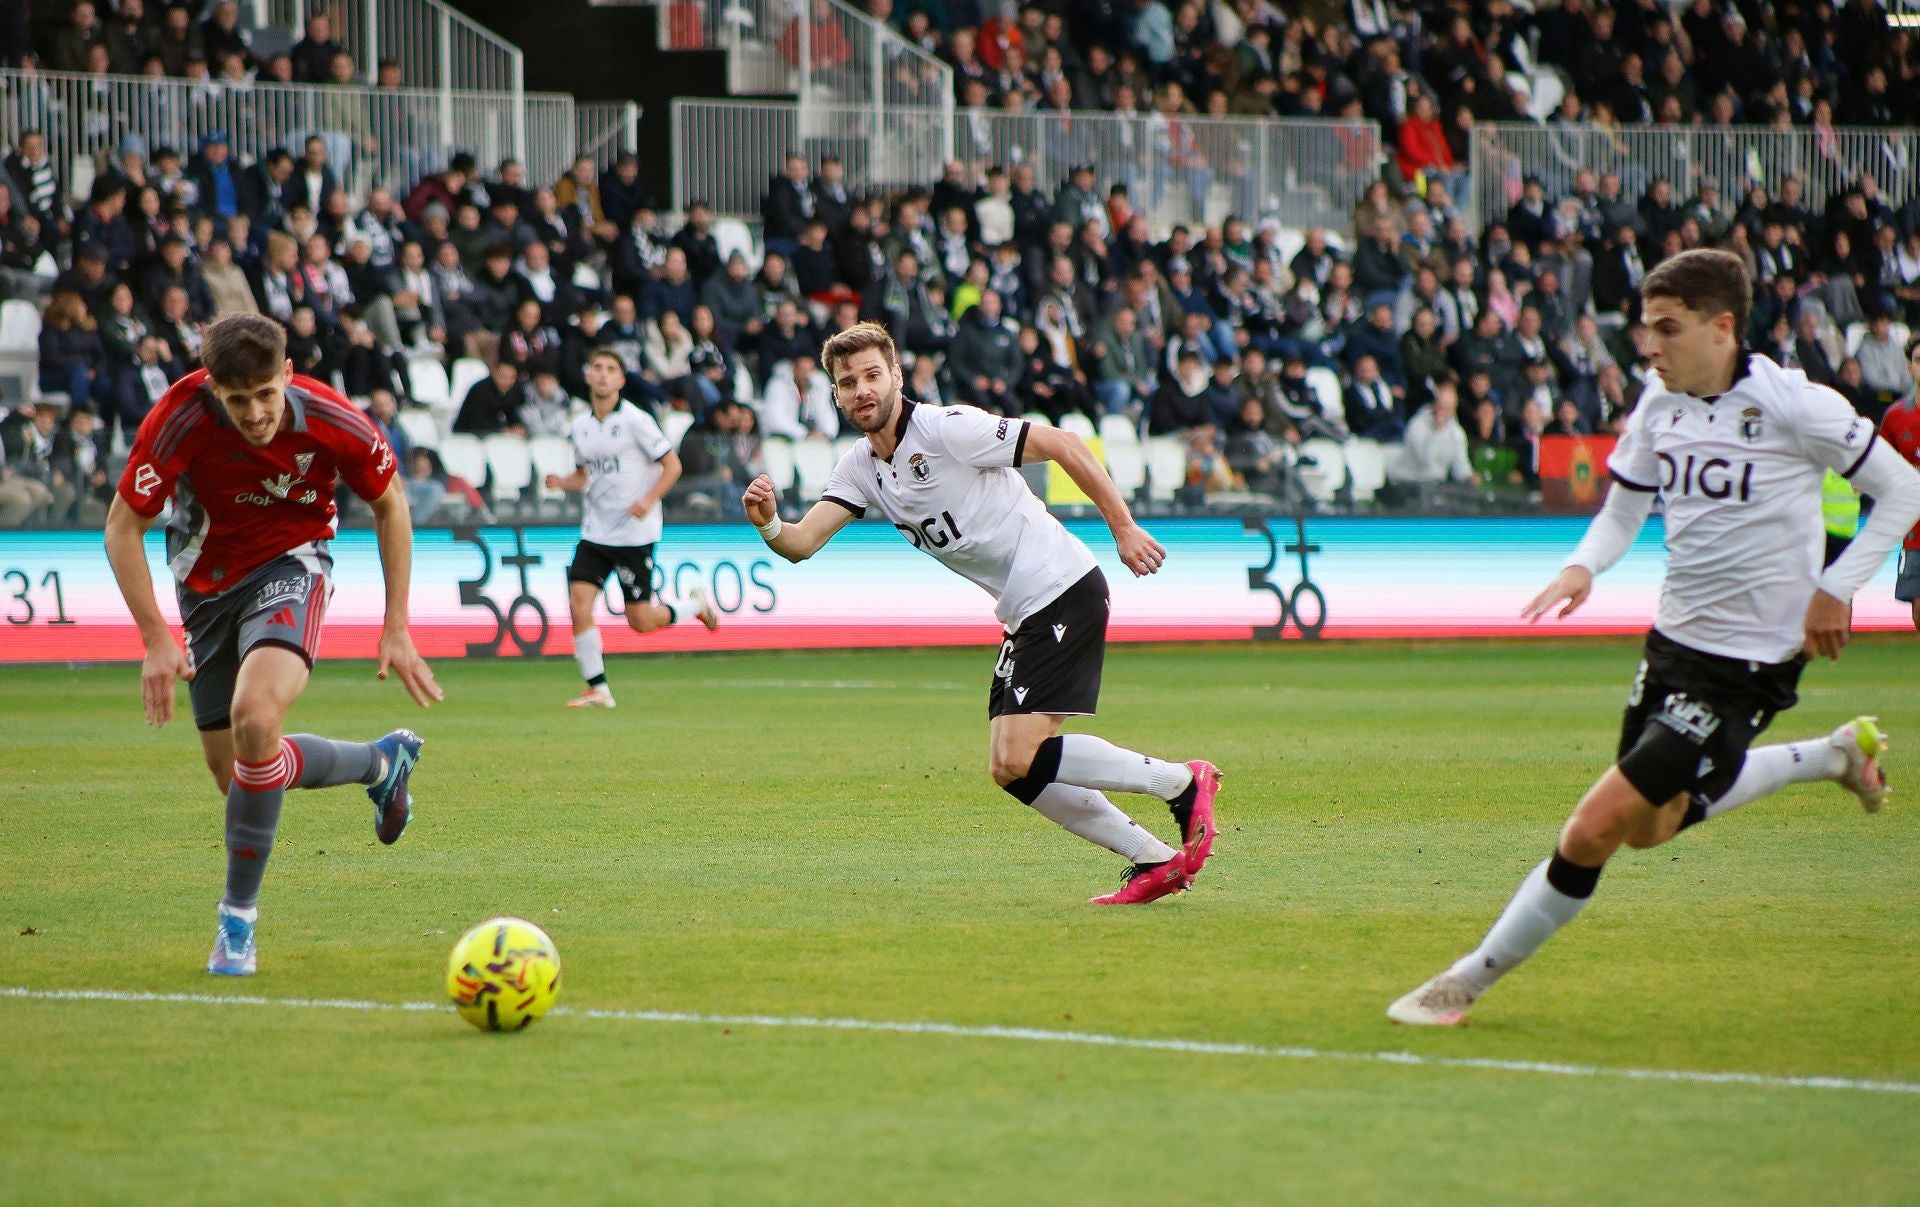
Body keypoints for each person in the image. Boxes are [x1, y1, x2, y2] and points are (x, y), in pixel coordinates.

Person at [1388, 251, 1920, 1027]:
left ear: (1722, 327)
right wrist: (1583, 567)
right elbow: (1624, 509)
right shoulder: (1656, 405)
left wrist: (1837, 588)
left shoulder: (1793, 403)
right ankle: (1832, 755)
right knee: (1651, 827)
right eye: (1646, 328)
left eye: (1668, 329)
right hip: (1672, 646)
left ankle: (1462, 983)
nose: (1651, 346)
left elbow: (1903, 487)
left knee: (1592, 828)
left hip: (1750, 664)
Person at [741, 322, 1221, 905]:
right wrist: (767, 520)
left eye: (872, 375)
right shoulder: (859, 468)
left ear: (897, 376)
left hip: (1060, 585)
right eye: (847, 383)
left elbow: (1065, 444)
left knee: (1020, 755)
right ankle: (1154, 859)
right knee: (1009, 768)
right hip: (1025, 609)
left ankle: (1180, 782)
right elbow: (800, 543)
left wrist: (1122, 527)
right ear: (836, 396)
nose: (861, 390)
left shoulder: (946, 429)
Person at [102, 314, 442, 978]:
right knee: (241, 777)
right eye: (238, 400)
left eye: (266, 393)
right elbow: (122, 529)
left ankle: (237, 925)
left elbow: (392, 504)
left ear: (287, 373)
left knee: (258, 719)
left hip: (294, 565)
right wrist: (155, 639)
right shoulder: (177, 417)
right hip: (203, 588)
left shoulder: (332, 419)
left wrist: (396, 623)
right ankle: (380, 763)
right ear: (212, 389)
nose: (256, 412)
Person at [543, 349, 720, 709]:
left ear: (621, 381)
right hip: (595, 531)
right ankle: (598, 689)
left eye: (611, 369)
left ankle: (693, 606)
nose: (604, 375)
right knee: (579, 604)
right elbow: (586, 474)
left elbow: (672, 466)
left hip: (633, 534)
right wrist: (563, 481)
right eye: (598, 368)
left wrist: (649, 499)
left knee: (640, 620)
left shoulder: (637, 420)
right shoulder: (580, 426)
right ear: (588, 375)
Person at [1883, 333, 1920, 630]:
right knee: (1918, 609)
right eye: (1919, 361)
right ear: (1909, 367)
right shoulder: (1896, 417)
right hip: (1914, 529)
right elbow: (1880, 466)